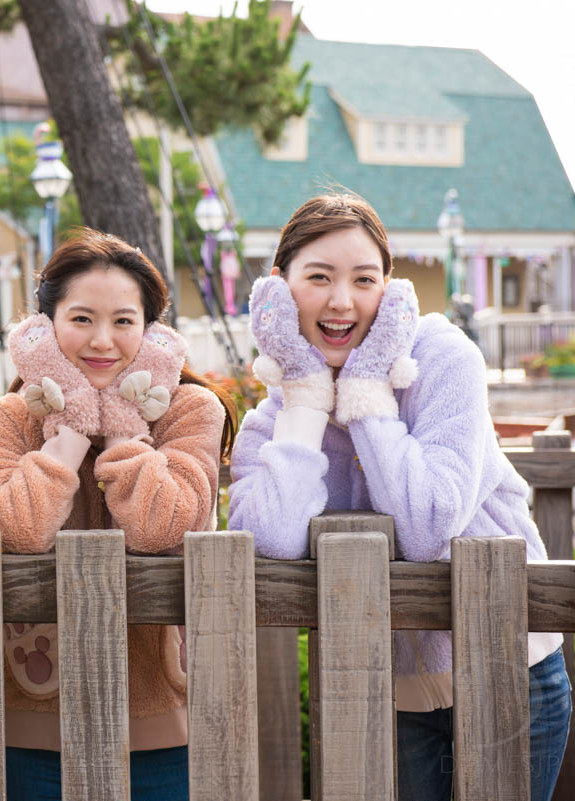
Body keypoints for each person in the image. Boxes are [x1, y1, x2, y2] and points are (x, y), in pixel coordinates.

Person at [228, 192, 571, 801]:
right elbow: (272, 539)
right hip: (394, 697)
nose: (342, 301)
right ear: (278, 289)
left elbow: (428, 524)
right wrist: (306, 400)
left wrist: (366, 391)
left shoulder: (444, 360)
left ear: (390, 291)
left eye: (364, 280)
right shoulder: (274, 418)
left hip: (509, 673)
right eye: (319, 277)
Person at [0, 228, 236, 801]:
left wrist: (120, 424)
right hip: (34, 716)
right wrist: (68, 432)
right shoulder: (6, 419)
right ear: (45, 328)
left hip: (163, 716)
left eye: (123, 321)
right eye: (82, 319)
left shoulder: (191, 410)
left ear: (153, 333)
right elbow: (17, 528)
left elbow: (161, 525)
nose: (102, 340)